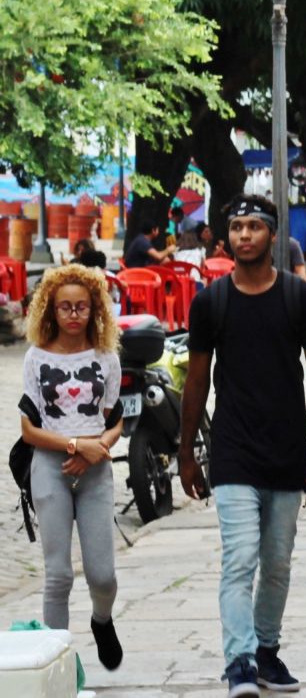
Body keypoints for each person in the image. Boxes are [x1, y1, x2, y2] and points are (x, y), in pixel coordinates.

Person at [179, 194, 306, 697]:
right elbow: (197, 381)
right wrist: (186, 452)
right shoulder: (211, 302)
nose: (245, 235)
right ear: (227, 238)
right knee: (240, 557)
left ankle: (267, 650)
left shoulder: (298, 297)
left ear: (273, 235)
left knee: (278, 560)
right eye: (237, 227)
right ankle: (240, 661)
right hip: (232, 449)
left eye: (255, 226)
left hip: (288, 448)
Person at [18, 265, 124, 673]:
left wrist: (97, 448)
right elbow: (28, 429)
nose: (74, 314)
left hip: (96, 471)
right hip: (50, 466)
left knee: (102, 574)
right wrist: (75, 445)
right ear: (51, 311)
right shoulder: (35, 357)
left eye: (81, 306)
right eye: (65, 307)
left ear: (94, 308)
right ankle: (55, 665)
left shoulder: (106, 357)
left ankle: (102, 619)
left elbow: (116, 420)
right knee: (58, 574)